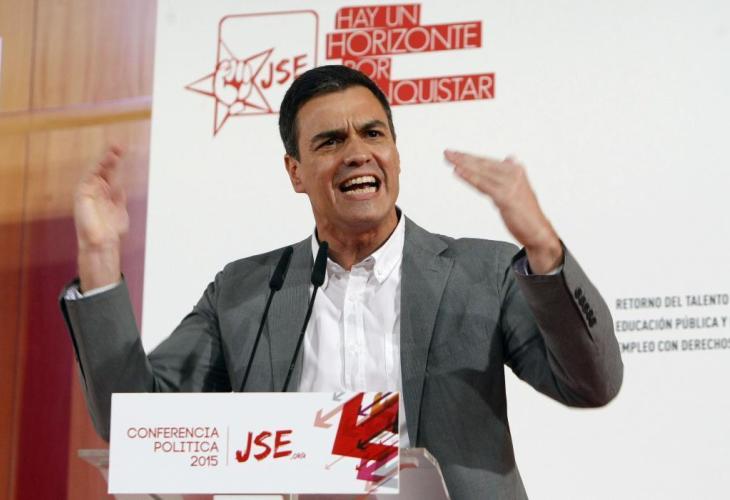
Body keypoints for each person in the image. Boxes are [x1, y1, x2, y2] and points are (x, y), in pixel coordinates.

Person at [61, 65, 622, 499]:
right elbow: (134, 423)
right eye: (330, 141)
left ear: (395, 155)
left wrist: (543, 247)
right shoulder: (245, 292)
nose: (357, 153)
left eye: (372, 133)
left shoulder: (482, 272)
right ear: (295, 172)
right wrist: (100, 254)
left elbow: (591, 383)